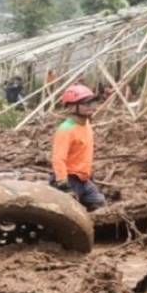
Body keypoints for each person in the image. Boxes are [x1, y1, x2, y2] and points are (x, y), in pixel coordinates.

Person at [49, 82, 105, 211]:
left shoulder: (86, 125)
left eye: (92, 103)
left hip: (83, 180)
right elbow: (58, 158)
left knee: (98, 203)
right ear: (71, 107)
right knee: (68, 212)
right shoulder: (66, 129)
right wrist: (63, 184)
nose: (90, 106)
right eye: (85, 103)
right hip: (69, 179)